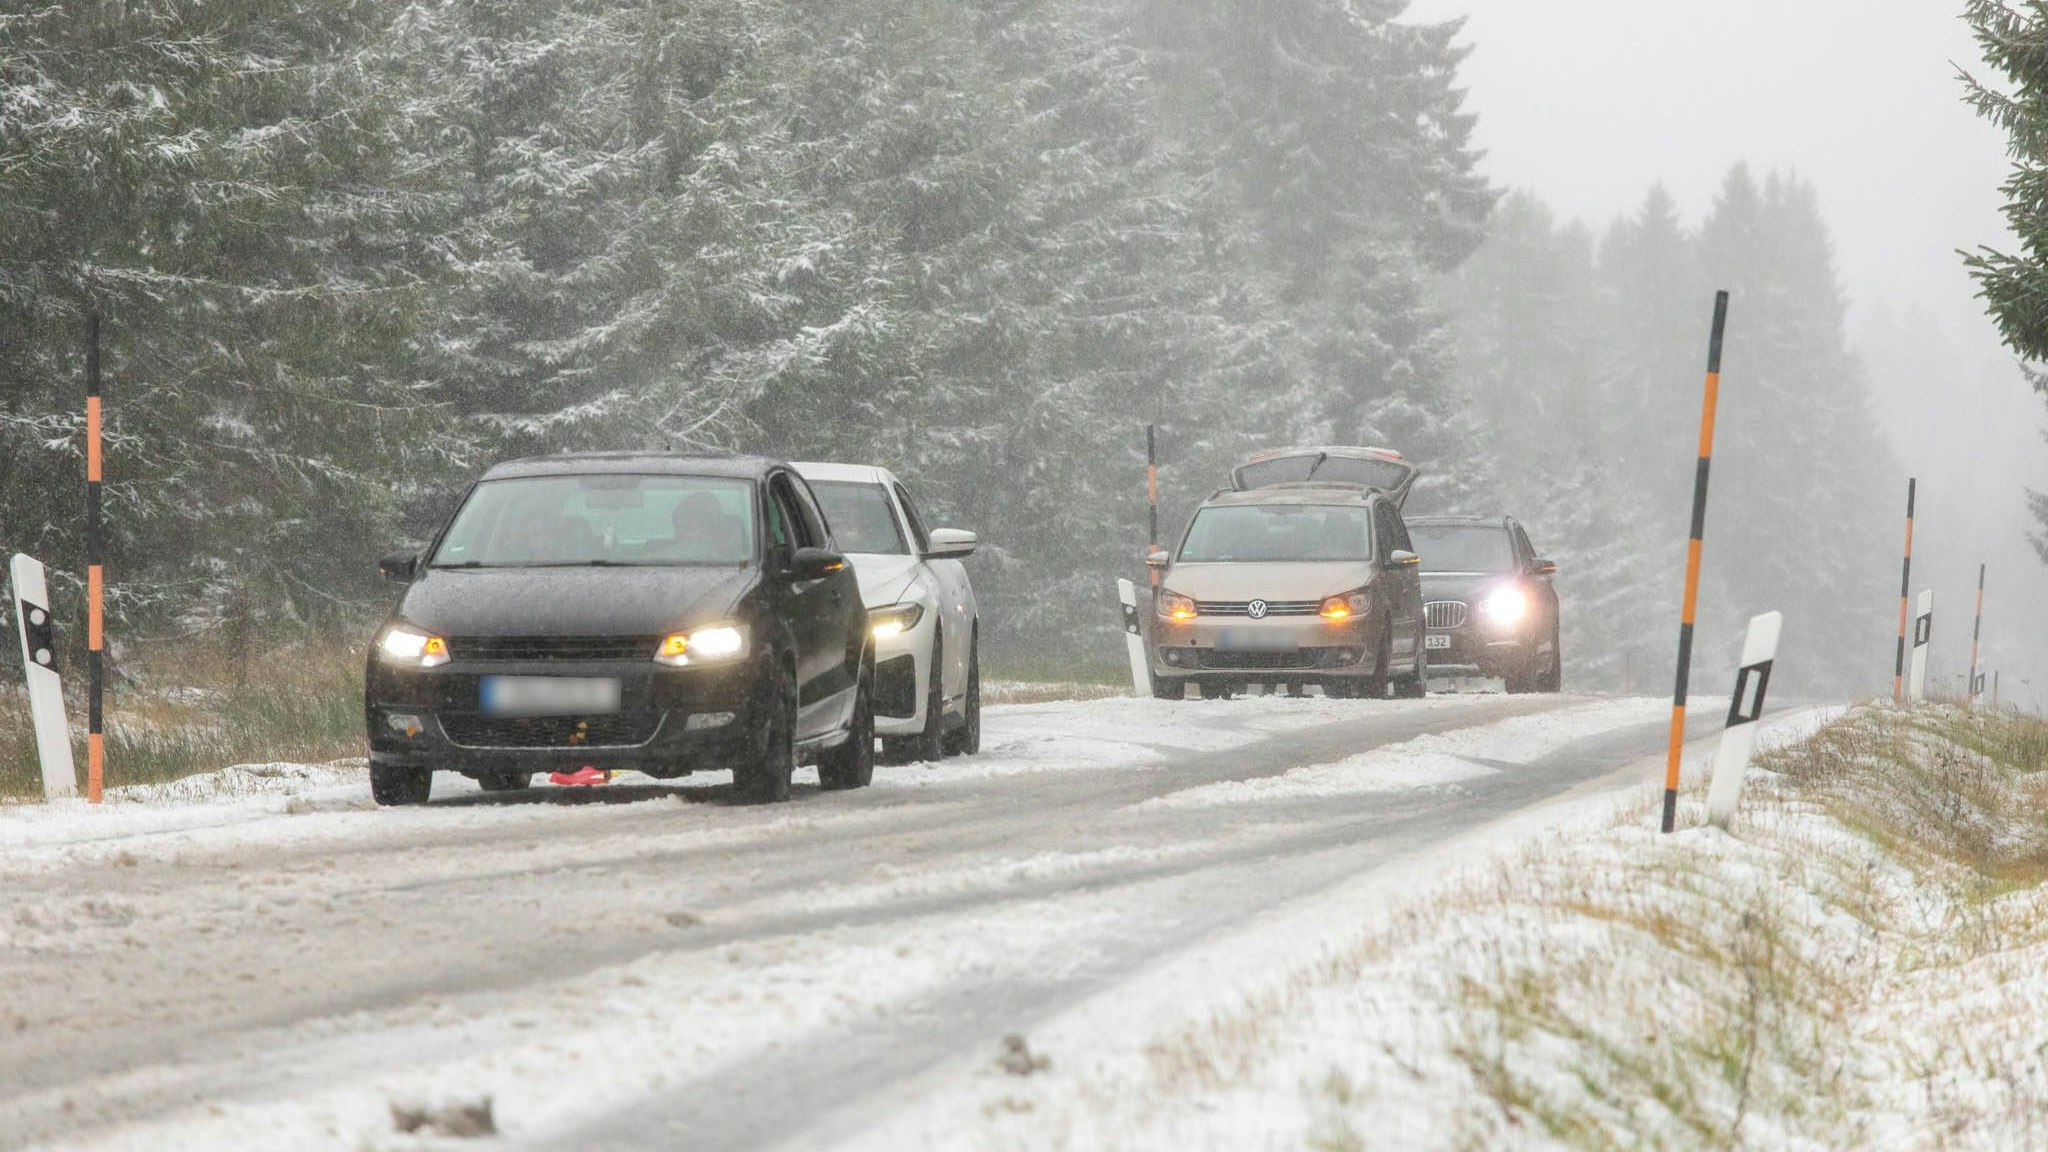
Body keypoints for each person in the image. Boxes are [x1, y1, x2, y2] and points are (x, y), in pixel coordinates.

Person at [671, 491, 745, 562]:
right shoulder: (673, 556)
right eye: (684, 527)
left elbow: (743, 565)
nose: (691, 533)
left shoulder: (743, 559)